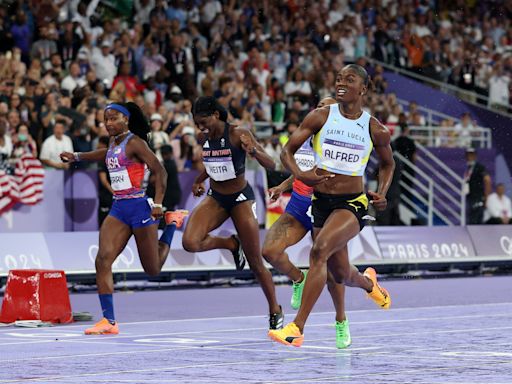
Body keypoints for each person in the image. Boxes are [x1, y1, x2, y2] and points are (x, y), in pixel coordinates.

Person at [268, 64, 395, 347]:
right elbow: (286, 151)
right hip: (321, 203)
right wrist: (300, 175)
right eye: (338, 78)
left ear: (363, 88)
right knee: (340, 274)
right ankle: (369, 283)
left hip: (352, 204)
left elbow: (388, 164)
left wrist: (383, 191)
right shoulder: (320, 116)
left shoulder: (375, 129)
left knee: (319, 250)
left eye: (349, 80)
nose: (341, 83)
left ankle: (297, 328)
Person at [60, 102, 188, 335]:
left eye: (113, 118)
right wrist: (76, 156)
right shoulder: (113, 142)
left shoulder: (136, 143)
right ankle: (109, 321)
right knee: (102, 259)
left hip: (140, 207)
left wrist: (158, 203)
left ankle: (171, 223)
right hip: (119, 208)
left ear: (126, 120)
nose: (108, 123)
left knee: (153, 269)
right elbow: (104, 155)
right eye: (105, 119)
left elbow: (161, 171)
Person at [182, 96, 283, 330]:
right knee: (190, 242)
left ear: (216, 115)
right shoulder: (203, 138)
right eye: (197, 123)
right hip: (216, 198)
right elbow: (214, 165)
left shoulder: (239, 134)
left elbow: (271, 164)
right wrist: (199, 180)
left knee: (256, 262)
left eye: (203, 121)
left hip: (240, 199)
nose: (200, 127)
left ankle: (275, 309)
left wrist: (253, 152)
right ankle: (231, 244)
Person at [262, 97, 351, 349]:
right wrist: (283, 185)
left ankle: (341, 320)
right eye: (319, 106)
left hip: (325, 210)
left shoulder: (339, 142)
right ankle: (298, 278)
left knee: (334, 273)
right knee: (269, 250)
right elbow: (300, 168)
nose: (321, 110)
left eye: (327, 108)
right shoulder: (306, 134)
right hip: (299, 206)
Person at [464, 148, 492, 224]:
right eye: (468, 155)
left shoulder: (479, 167)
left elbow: (488, 180)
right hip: (471, 198)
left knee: (476, 222)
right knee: (471, 221)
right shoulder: (469, 168)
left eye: (472, 155)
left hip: (478, 198)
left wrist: (486, 198)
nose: (469, 157)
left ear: (475, 156)